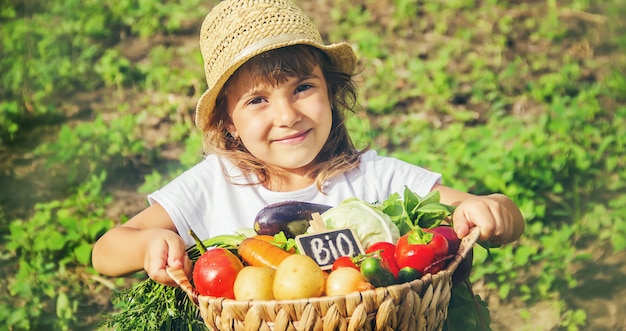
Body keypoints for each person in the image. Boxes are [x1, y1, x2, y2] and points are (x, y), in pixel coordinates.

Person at [92, 0, 525, 286]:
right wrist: (150, 245)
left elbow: (489, 213)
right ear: (229, 122)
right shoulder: (212, 186)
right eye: (258, 100)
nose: (287, 115)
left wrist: (489, 207)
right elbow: (106, 251)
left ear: (331, 92)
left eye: (302, 88)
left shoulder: (376, 179)